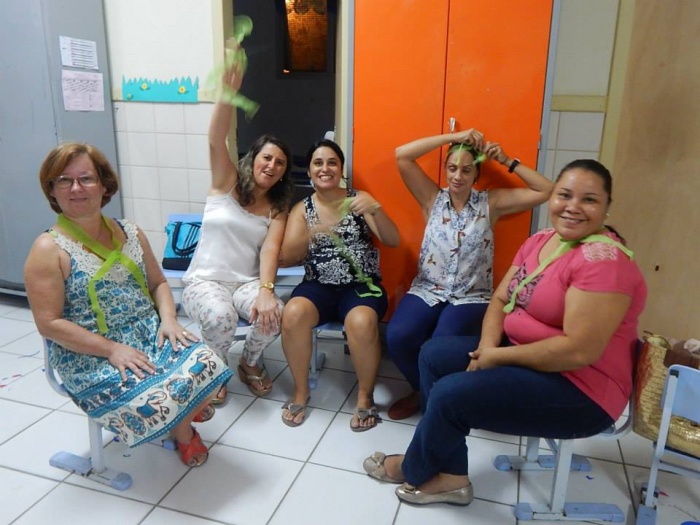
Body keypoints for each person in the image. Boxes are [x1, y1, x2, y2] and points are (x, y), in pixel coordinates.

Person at [362, 159, 647, 505]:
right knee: (433, 355)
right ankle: (452, 475)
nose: (573, 207)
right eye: (564, 195)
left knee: (452, 395)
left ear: (606, 207)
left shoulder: (603, 262)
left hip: (581, 388)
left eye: (589, 200)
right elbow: (500, 298)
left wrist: (497, 357)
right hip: (527, 356)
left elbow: (578, 351)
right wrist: (485, 349)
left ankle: (414, 467)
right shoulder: (542, 240)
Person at [25, 142, 232, 468]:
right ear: (51, 189)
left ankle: (182, 414)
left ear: (104, 185)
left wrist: (169, 320)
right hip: (90, 353)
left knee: (209, 363)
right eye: (64, 180)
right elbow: (48, 324)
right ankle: (183, 431)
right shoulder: (48, 249)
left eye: (86, 178)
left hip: (149, 333)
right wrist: (111, 349)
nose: (76, 188)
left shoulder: (130, 232)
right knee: (158, 399)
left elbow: (158, 283)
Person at [386, 130, 554, 420]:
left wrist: (507, 161)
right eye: (452, 168)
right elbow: (402, 155)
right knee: (397, 336)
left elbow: (546, 190)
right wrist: (455, 136)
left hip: (471, 295)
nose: (457, 176)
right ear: (445, 170)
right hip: (428, 288)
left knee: (439, 347)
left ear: (476, 174)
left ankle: (437, 404)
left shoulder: (491, 203)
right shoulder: (431, 198)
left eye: (466, 170)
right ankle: (420, 390)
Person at [181, 64, 294, 403]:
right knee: (221, 318)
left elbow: (270, 251)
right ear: (253, 158)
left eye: (280, 163)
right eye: (267, 158)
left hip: (246, 282)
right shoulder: (226, 182)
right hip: (205, 281)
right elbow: (215, 139)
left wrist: (266, 291)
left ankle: (250, 362)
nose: (271, 166)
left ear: (284, 173)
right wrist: (227, 95)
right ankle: (215, 368)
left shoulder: (278, 207)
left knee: (275, 313)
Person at [279, 139, 400, 431]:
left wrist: (376, 209)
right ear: (310, 171)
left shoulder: (359, 200)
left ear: (341, 168)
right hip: (317, 287)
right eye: (318, 163)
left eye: (332, 162)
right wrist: (313, 232)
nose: (325, 168)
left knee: (361, 321)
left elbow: (393, 240)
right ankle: (301, 391)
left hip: (361, 287)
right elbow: (286, 257)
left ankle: (365, 396)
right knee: (292, 313)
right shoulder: (302, 209)